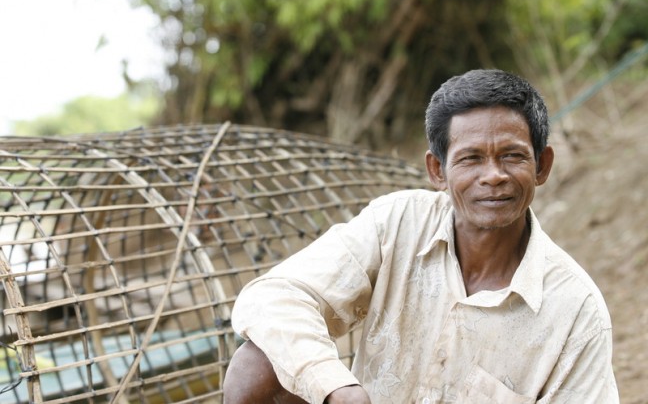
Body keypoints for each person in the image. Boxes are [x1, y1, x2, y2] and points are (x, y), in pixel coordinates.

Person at [223, 69, 619, 403]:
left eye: (512, 156)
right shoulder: (397, 222)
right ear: (437, 171)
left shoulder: (575, 310)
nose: (493, 175)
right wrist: (338, 389)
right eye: (471, 158)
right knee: (257, 362)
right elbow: (271, 298)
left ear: (542, 166)